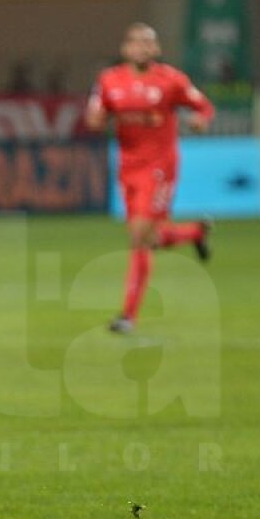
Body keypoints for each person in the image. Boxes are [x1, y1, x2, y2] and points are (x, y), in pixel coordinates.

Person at [85, 23, 216, 334]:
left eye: (148, 42)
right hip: (128, 168)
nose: (142, 47)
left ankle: (128, 316)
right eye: (136, 42)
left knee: (139, 237)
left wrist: (200, 119)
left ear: (156, 49)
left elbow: (204, 106)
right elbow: (95, 116)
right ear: (125, 48)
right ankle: (195, 233)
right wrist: (96, 119)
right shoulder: (110, 80)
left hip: (159, 168)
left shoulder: (170, 80)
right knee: (150, 238)